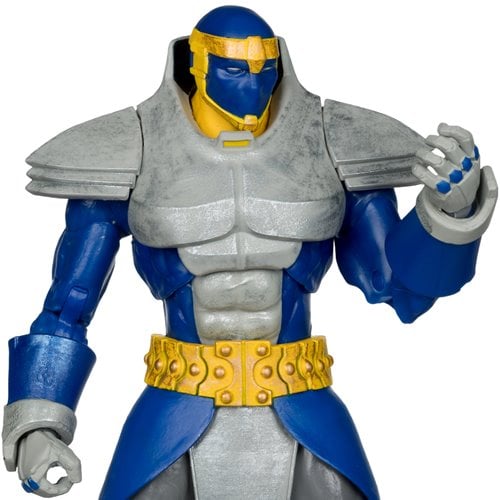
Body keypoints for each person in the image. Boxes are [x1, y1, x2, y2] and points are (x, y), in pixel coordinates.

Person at [3, 5, 497, 499]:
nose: (254, 84)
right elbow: (68, 305)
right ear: (197, 64)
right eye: (234, 69)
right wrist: (38, 423)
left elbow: (400, 290)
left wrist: (446, 216)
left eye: (265, 68)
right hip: (175, 410)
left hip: (303, 410)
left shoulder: (335, 143)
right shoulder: (129, 149)